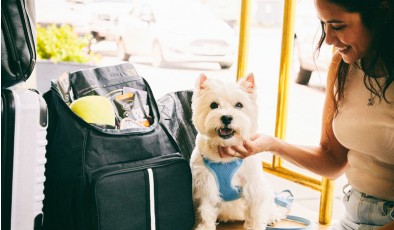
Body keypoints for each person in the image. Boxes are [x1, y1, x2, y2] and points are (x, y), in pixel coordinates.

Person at [218, 0, 394, 229]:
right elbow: (333, 161)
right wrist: (272, 145)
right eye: (323, 25)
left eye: (338, 26)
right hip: (353, 213)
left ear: (380, 18)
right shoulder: (343, 65)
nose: (328, 39)